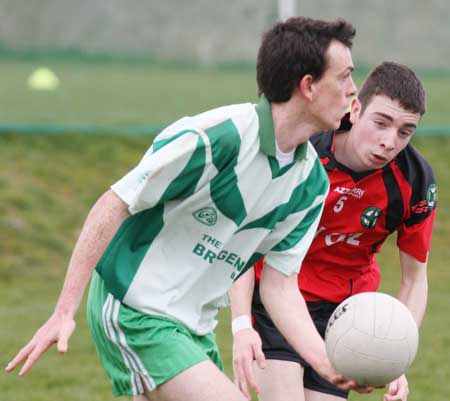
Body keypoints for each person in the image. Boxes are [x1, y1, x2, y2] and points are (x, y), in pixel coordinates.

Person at [5, 16, 365, 401]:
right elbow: (114, 204)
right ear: (308, 85)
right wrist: (64, 311)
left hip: (193, 327)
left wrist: (325, 363)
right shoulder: (217, 138)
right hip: (135, 308)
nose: (353, 90)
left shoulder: (310, 184)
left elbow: (279, 286)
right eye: (344, 76)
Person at [230, 61, 437, 401]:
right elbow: (245, 242)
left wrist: (397, 351)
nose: (389, 141)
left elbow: (415, 279)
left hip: (347, 317)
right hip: (278, 296)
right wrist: (240, 325)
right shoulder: (303, 150)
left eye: (405, 131)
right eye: (381, 123)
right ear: (355, 109)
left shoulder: (415, 181)